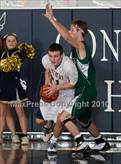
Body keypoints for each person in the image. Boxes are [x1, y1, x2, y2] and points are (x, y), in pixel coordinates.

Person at [43, 4, 111, 153]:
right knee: (84, 121)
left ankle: (79, 143)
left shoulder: (80, 45)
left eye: (73, 29)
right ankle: (101, 142)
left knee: (63, 116)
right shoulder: (75, 49)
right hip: (84, 90)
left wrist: (51, 18)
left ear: (81, 32)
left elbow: (66, 36)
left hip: (85, 91)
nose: (70, 31)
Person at [38, 43, 78, 141]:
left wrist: (56, 88)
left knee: (60, 121)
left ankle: (53, 142)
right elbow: (48, 71)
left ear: (62, 55)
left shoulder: (69, 66)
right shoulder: (45, 59)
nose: (53, 59)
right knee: (39, 121)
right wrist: (47, 83)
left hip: (66, 93)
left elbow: (73, 84)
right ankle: (48, 125)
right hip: (53, 89)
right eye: (50, 56)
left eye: (56, 56)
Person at [0, 33, 35, 144]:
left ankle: (25, 136)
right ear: (5, 42)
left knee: (20, 112)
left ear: (17, 42)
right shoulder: (2, 54)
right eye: (8, 40)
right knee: (4, 114)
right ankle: (11, 135)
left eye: (13, 40)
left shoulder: (19, 53)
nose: (11, 42)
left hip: (14, 87)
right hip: (3, 87)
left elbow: (7, 65)